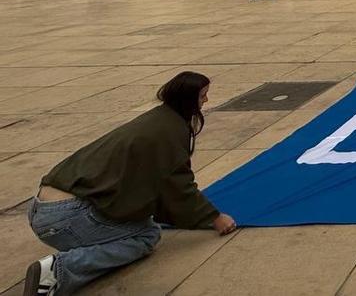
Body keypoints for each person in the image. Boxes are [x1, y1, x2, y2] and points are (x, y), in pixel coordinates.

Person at [23, 71, 237, 295]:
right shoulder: (168, 130)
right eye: (202, 96)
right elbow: (177, 185)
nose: (206, 101)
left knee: (142, 223)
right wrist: (214, 217)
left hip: (44, 207)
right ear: (187, 98)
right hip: (65, 216)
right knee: (146, 235)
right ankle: (60, 270)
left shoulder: (158, 119)